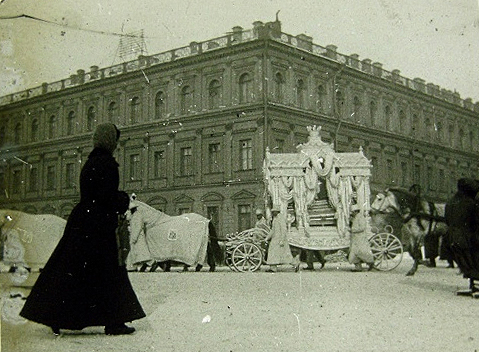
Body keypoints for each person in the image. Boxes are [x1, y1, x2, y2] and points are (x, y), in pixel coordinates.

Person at [20, 123, 146, 335]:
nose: (116, 144)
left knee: (71, 269)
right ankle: (114, 321)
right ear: (109, 141)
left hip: (82, 221)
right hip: (99, 225)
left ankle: (54, 314)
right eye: (115, 140)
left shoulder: (89, 163)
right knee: (110, 273)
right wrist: (124, 199)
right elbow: (105, 196)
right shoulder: (108, 164)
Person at [444, 178, 479, 296]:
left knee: (466, 261)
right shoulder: (471, 204)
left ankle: (473, 284)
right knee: (475, 258)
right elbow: (476, 222)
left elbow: (447, 220)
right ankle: (476, 286)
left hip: (451, 238)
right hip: (467, 238)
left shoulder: (450, 202)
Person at [265, 207, 299, 272]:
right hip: (275, 239)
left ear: (277, 211)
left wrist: (282, 240)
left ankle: (295, 263)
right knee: (273, 253)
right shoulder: (275, 219)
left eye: (273, 211)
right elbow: (272, 230)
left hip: (280, 239)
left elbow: (283, 230)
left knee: (285, 254)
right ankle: (273, 267)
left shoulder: (281, 218)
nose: (272, 213)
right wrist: (267, 238)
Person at [348, 206, 374, 272]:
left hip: (361, 238)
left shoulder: (361, 217)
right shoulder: (356, 217)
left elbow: (362, 227)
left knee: (362, 252)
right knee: (354, 253)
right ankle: (358, 267)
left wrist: (353, 230)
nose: (352, 213)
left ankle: (370, 263)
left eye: (353, 212)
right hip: (356, 239)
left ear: (356, 211)